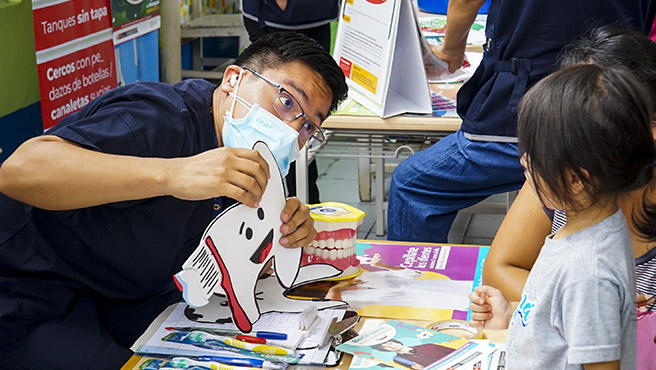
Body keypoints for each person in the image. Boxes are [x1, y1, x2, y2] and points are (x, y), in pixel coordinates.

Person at [0, 32, 348, 368]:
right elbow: (18, 171)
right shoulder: (158, 118)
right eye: (286, 102)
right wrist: (173, 175)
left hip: (128, 291)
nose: (290, 132)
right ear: (233, 80)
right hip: (29, 289)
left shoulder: (254, 159)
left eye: (307, 128)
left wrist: (282, 235)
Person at [386, 0, 655, 243]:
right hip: (623, 94)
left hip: (533, 93)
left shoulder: (548, 125)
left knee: (411, 184)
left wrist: (450, 48)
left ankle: (412, 288)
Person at [482, 25, 656, 369]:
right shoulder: (575, 203)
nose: (525, 163)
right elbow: (510, 273)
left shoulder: (591, 269)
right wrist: (518, 316)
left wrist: (599, 306)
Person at [242, 0, 340, 204]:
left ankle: (305, 204)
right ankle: (263, 202)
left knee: (304, 113)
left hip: (315, 15)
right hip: (271, 18)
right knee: (274, 113)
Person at [371, 338, 455, 370]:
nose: (390, 346)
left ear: (398, 342)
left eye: (390, 344)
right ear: (386, 351)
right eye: (385, 347)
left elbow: (454, 352)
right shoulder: (397, 360)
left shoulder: (428, 346)